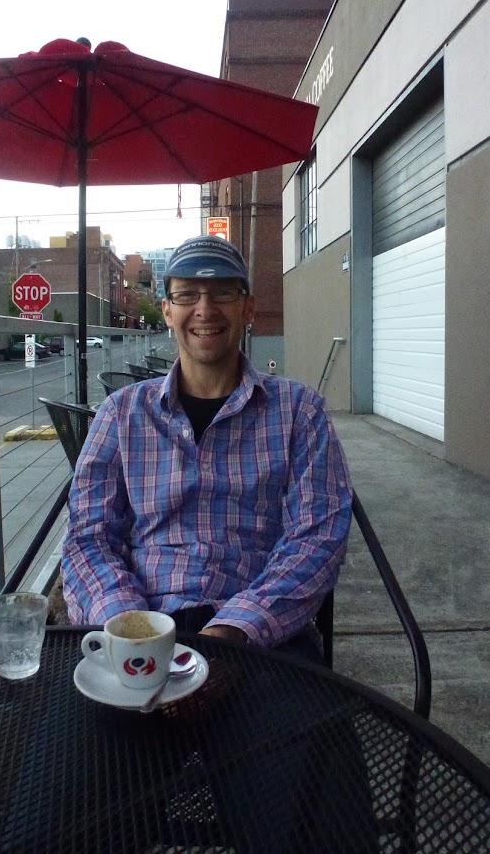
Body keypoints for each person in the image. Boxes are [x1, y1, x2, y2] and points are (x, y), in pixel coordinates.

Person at [61, 235, 353, 662]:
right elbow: (88, 537)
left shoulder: (299, 412)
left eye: (223, 293)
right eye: (187, 295)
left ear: (248, 308)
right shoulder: (121, 414)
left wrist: (238, 628)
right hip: (142, 621)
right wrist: (130, 628)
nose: (205, 309)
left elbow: (318, 538)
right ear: (167, 310)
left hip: (257, 633)